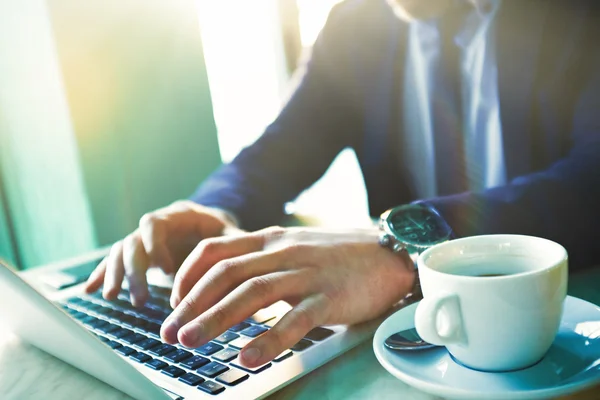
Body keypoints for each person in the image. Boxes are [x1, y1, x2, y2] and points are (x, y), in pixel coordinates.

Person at [85, 0, 600, 368]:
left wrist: (401, 249)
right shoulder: (358, 22)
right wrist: (213, 210)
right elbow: (278, 150)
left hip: (569, 335)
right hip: (419, 341)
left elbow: (590, 181)